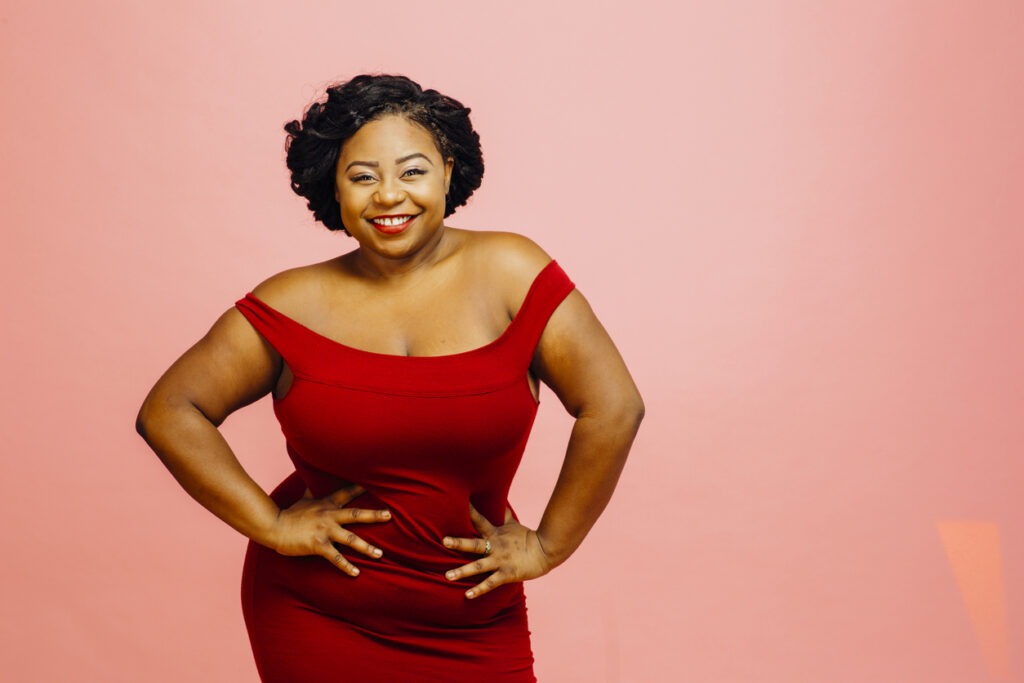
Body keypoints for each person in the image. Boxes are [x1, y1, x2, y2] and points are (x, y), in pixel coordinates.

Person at [135, 74, 644, 682]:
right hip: (314, 613)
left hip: (474, 616)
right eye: (362, 177)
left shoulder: (513, 272)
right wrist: (272, 525)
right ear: (335, 187)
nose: (388, 195)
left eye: (412, 171)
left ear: (448, 172)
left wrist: (548, 545)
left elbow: (614, 405)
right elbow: (170, 410)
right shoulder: (291, 303)